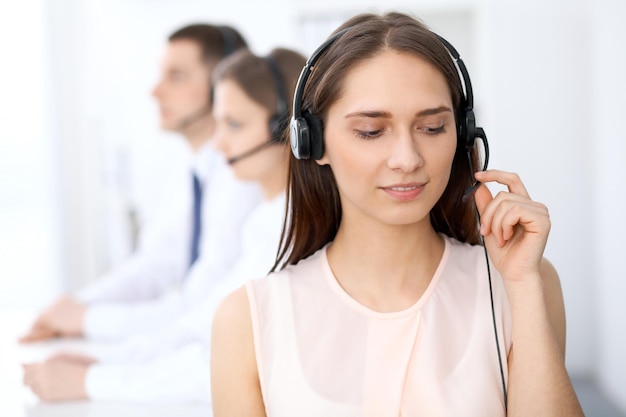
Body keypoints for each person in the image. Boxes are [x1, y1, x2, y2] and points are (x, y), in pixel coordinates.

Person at [210, 12, 585, 416]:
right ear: (312, 141)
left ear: (462, 132)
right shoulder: (248, 320)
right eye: (371, 131)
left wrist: (522, 285)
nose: (407, 159)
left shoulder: (524, 284)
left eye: (433, 127)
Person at [22, 47, 307, 404]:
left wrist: (94, 380)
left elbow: (228, 364)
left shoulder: (289, 229)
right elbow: (200, 323)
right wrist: (108, 361)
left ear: (288, 130)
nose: (219, 143)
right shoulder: (265, 220)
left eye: (234, 124)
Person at [19, 23, 259, 343]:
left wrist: (87, 319)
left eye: (176, 77)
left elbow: (199, 306)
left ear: (223, 88)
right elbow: (153, 266)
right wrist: (77, 307)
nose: (154, 92)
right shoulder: (190, 173)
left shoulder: (243, 180)